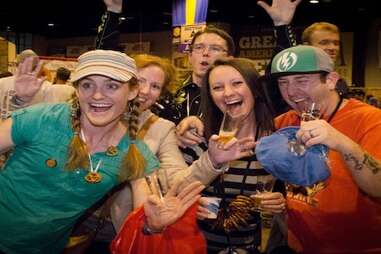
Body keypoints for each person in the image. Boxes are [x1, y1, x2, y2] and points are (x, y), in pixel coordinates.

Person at [0, 49, 202, 254]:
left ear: (132, 91)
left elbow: (146, 210)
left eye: (112, 86)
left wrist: (153, 225)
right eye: (87, 85)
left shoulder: (135, 154)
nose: (97, 95)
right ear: (77, 90)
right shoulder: (42, 119)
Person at [80, 54, 254, 253]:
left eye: (155, 86)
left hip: (118, 232)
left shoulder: (161, 128)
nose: (145, 91)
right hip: (65, 223)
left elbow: (176, 179)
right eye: (140, 81)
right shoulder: (87, 112)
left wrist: (212, 161)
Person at [271, 45, 381, 253]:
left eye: (301, 80)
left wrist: (342, 142)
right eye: (282, 82)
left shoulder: (370, 119)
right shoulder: (285, 122)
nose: (290, 92)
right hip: (300, 245)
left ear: (331, 80)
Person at [194, 58, 286, 253]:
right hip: (197, 247)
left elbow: (299, 199)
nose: (228, 93)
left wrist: (281, 204)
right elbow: (172, 191)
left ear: (254, 88)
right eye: (217, 87)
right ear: (210, 96)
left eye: (237, 83)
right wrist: (189, 206)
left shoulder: (276, 140)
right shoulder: (198, 138)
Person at [0, 49, 75, 122]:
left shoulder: (2, 82)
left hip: (6, 127)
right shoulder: (47, 86)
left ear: (16, 65)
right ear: (38, 67)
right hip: (31, 129)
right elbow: (50, 115)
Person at [301, 21, 350, 97]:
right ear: (307, 46)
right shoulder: (296, 79)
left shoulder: (340, 82)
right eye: (324, 43)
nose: (332, 48)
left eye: (336, 43)